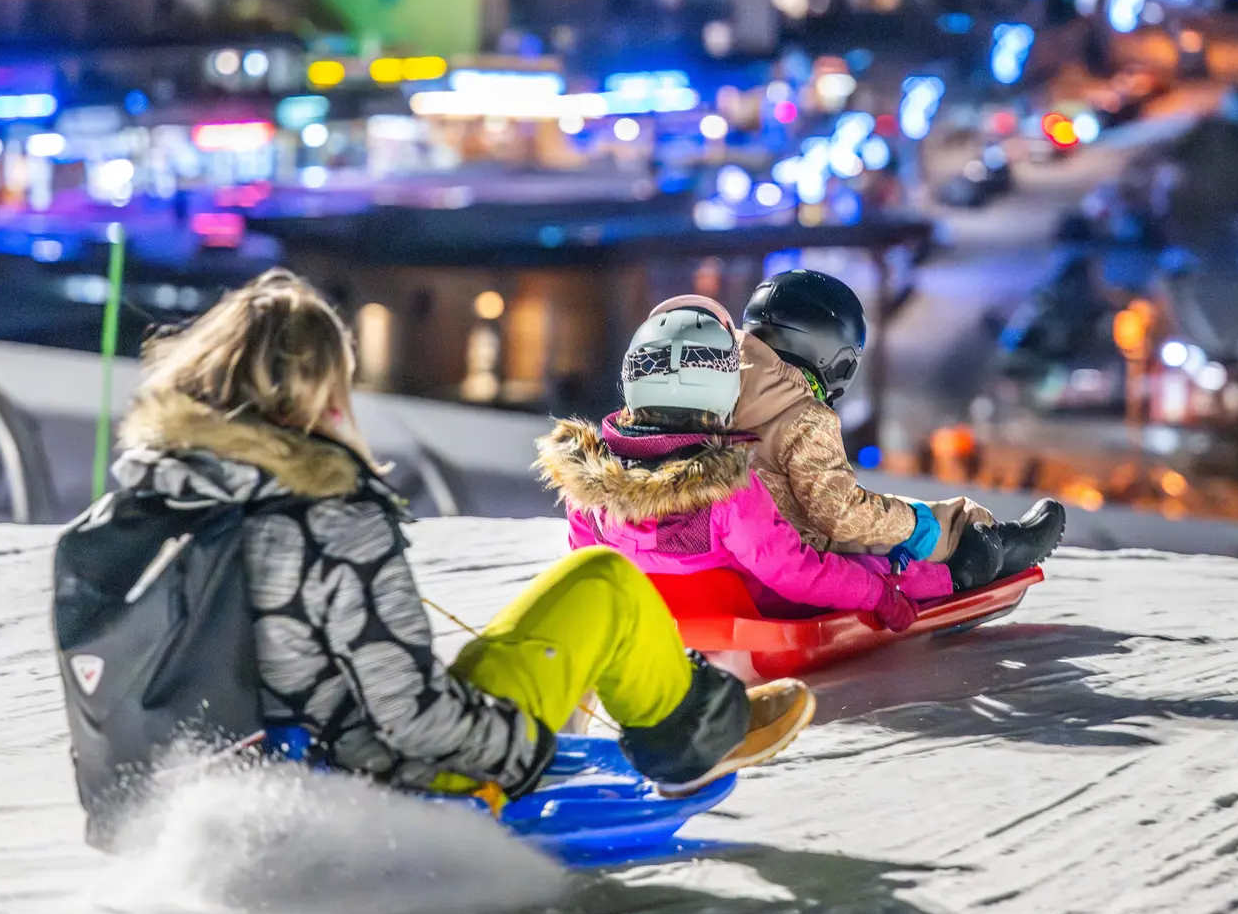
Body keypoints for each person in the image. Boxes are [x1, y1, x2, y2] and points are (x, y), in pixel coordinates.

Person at [99, 270, 812, 803]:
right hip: (386, 786)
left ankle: (669, 708)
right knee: (603, 585)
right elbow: (409, 717)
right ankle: (694, 735)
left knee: (542, 620)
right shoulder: (325, 520)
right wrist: (528, 753)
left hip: (249, 782)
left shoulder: (152, 507)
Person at [538, 304, 955, 630]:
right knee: (873, 569)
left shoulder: (589, 484)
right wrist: (878, 595)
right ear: (723, 390)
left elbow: (589, 566)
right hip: (752, 611)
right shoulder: (727, 491)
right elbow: (791, 570)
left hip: (653, 609)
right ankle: (952, 579)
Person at [650, 272, 1064, 591]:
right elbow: (840, 516)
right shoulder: (802, 413)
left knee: (888, 516)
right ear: (831, 356)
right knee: (918, 519)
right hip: (792, 551)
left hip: (727, 547)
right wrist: (918, 524)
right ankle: (988, 545)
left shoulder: (710, 385)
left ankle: (977, 542)